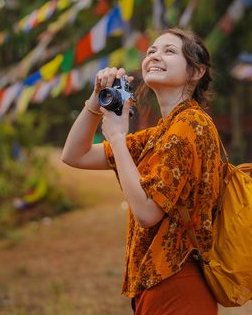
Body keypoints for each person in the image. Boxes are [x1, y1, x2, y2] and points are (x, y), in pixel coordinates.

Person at [61, 28, 222, 314]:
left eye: (169, 51)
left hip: (178, 284)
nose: (155, 56)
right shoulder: (160, 133)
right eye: (151, 51)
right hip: (156, 285)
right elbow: (75, 154)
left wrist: (118, 139)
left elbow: (148, 213)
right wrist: (95, 100)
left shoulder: (192, 124)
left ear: (196, 71)